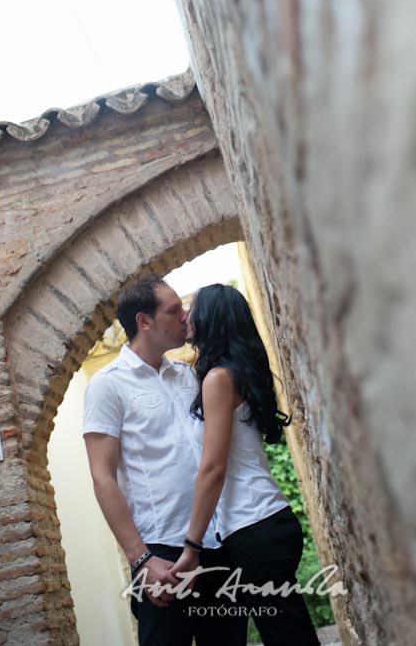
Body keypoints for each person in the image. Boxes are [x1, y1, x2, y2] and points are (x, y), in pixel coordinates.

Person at [83, 276, 247, 646]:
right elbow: (102, 477)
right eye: (174, 310)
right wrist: (141, 559)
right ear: (145, 322)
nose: (185, 317)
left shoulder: (189, 375)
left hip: (215, 544)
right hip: (162, 554)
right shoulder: (108, 385)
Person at [171, 283, 321, 646]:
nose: (187, 317)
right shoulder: (237, 373)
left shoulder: (218, 378)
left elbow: (214, 468)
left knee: (288, 637)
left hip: (254, 528)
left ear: (211, 318)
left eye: (193, 308)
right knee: (289, 633)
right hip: (266, 523)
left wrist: (192, 545)